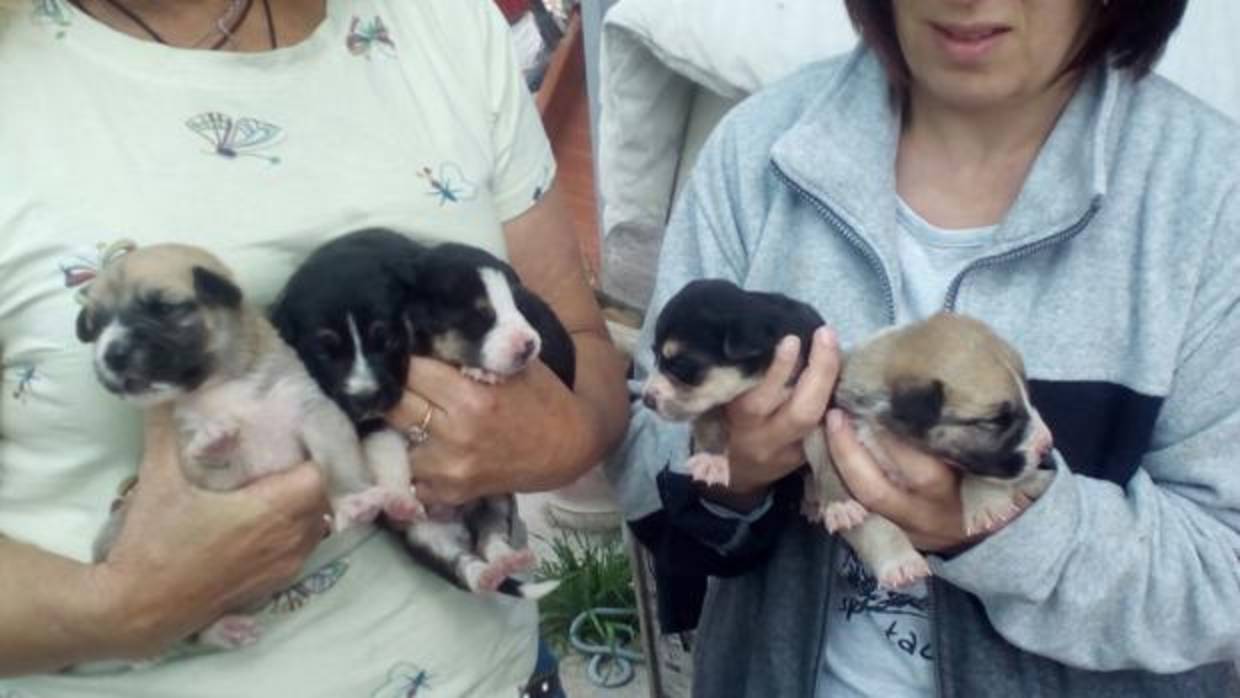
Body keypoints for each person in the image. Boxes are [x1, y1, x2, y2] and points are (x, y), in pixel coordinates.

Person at [608, 0, 1240, 695]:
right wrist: (735, 474)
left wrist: (998, 531)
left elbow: (1225, 579)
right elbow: (642, 473)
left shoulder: (1212, 201)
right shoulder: (758, 150)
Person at [0, 0, 628, 695]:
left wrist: (568, 440)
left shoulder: (444, 22)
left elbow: (579, 335)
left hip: (497, 675)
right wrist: (118, 608)